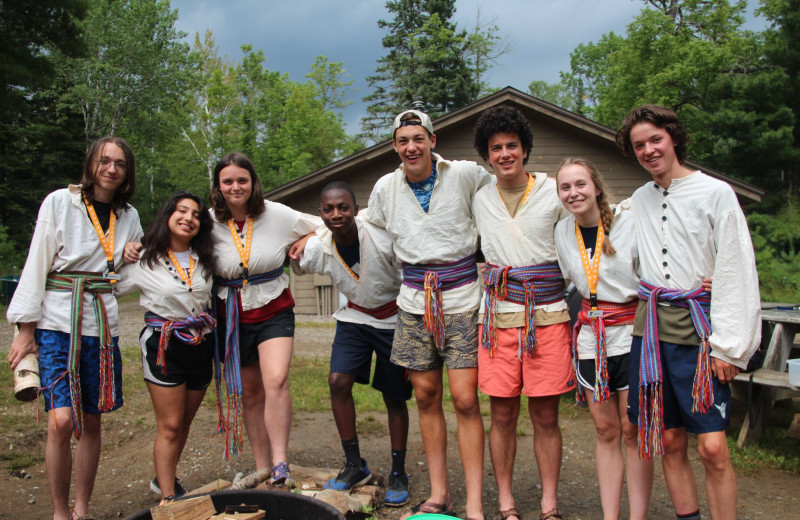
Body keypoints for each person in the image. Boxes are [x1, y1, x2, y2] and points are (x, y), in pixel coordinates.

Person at [616, 104, 761, 520]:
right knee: (669, 439)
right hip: (651, 336)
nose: (648, 150)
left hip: (699, 336)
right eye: (639, 145)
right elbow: (622, 259)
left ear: (674, 138)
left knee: (713, 447)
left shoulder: (715, 193)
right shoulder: (638, 201)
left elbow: (736, 267)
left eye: (655, 140)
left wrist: (729, 348)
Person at [359, 109, 490, 520]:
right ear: (395, 147)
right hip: (414, 303)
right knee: (426, 396)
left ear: (433, 140)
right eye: (403, 141)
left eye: (418, 138)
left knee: (466, 400)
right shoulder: (385, 188)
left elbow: (502, 198)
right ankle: (440, 493)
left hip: (463, 300)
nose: (411, 146)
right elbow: (365, 225)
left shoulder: (466, 175)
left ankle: (474, 504)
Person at [6, 137, 142, 520]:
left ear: (127, 172)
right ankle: (59, 512)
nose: (111, 169)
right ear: (91, 164)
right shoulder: (59, 202)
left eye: (119, 163)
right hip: (56, 322)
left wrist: (131, 256)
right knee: (62, 420)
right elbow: (37, 261)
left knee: (92, 421)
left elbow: (127, 281)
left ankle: (82, 508)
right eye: (104, 161)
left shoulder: (128, 215)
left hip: (101, 324)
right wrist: (25, 328)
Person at [471, 105, 573, 520]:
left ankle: (550, 504)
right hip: (497, 319)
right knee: (502, 412)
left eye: (512, 145)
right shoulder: (480, 197)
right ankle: (506, 501)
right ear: (487, 155)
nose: (505, 154)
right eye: (496, 148)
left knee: (546, 413)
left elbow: (594, 223)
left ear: (526, 149)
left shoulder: (554, 192)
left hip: (548, 316)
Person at [290, 181, 413, 506]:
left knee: (394, 395)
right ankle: (354, 463)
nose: (336, 214)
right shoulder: (319, 246)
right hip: (355, 317)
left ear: (356, 210)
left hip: (393, 318)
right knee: (337, 381)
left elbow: (410, 272)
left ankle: (399, 470)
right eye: (328, 209)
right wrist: (302, 242)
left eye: (343, 207)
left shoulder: (380, 235)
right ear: (321, 214)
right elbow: (297, 263)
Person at [210, 152, 320, 484]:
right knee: (251, 392)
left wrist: (304, 238)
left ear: (253, 182)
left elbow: (325, 225)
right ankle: (262, 465)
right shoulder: (208, 220)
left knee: (276, 380)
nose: (235, 187)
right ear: (218, 186)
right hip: (230, 314)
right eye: (227, 181)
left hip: (273, 306)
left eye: (242, 180)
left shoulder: (277, 213)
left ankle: (281, 461)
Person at [553, 158, 654, 520]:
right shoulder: (563, 232)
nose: (573, 193)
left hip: (630, 334)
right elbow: (567, 279)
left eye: (580, 184)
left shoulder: (629, 222)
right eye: (565, 187)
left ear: (596, 186)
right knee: (606, 429)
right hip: (590, 340)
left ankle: (637, 516)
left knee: (632, 427)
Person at [115, 191, 217, 504]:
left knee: (184, 421)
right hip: (163, 345)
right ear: (167, 216)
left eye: (196, 214)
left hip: (200, 343)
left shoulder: (206, 258)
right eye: (181, 211)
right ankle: (169, 500)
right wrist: (124, 251)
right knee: (170, 424)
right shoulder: (144, 258)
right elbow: (113, 285)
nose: (189, 218)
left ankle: (164, 479)